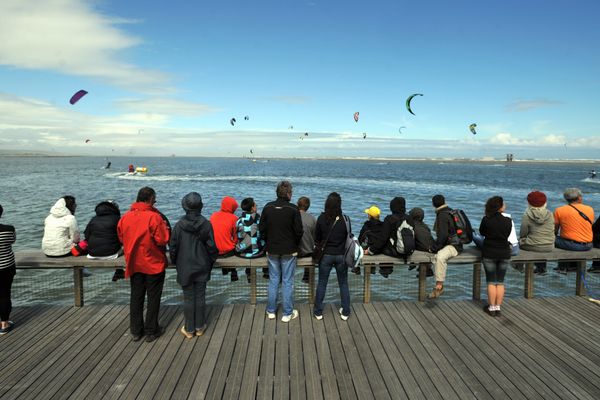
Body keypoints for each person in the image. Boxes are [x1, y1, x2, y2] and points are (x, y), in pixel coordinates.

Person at [117, 186, 170, 342]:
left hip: (134, 263)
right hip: (153, 263)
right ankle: (151, 330)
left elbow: (121, 237)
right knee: (153, 297)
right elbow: (163, 239)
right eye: (155, 198)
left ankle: (135, 330)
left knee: (136, 296)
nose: (156, 201)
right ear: (151, 199)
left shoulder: (125, 217)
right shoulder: (154, 217)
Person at [169, 192, 219, 339]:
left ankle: (189, 329)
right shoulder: (206, 224)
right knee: (200, 296)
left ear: (184, 207)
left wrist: (176, 261)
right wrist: (210, 261)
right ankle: (199, 327)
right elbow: (212, 248)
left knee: (189, 298)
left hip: (185, 266)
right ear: (201, 207)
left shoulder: (179, 225)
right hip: (202, 264)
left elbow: (173, 248)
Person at [259, 180, 303, 322]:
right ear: (289, 194)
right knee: (287, 281)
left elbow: (262, 230)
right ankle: (287, 313)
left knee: (273, 280)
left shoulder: (267, 207)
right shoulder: (293, 209)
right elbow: (299, 231)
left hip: (272, 249)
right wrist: (294, 243)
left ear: (277, 192)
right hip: (289, 250)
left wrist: (268, 241)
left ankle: (271, 311)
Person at [313, 192, 352, 321]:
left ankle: (318, 312)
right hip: (341, 255)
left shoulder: (321, 218)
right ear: (340, 204)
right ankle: (345, 312)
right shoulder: (345, 219)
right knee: (343, 284)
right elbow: (349, 237)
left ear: (327, 204)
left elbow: (317, 238)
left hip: (326, 256)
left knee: (322, 284)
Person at [479, 196, 513, 317]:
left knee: (491, 281)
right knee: (500, 282)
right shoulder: (508, 221)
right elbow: (508, 234)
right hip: (504, 253)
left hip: (489, 252)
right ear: (499, 207)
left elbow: (482, 232)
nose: (505, 205)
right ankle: (498, 308)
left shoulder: (486, 219)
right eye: (504, 204)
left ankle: (491, 307)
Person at [365, 197, 412, 277]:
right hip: (409, 251)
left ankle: (385, 269)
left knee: (382, 245)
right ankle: (386, 270)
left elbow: (383, 239)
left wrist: (370, 250)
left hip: (396, 252)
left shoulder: (389, 219)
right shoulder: (409, 218)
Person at [428, 194, 463, 299]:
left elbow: (442, 235)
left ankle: (439, 286)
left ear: (433, 204)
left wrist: (434, 248)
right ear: (444, 201)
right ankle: (434, 279)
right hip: (457, 243)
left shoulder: (442, 215)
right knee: (436, 256)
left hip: (454, 246)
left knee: (440, 257)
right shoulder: (449, 211)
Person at [554, 188, 594, 273]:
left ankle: (562, 267)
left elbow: (555, 230)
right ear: (579, 198)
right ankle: (572, 266)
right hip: (588, 245)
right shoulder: (590, 209)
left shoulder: (559, 210)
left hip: (571, 245)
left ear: (566, 199)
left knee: (554, 239)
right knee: (571, 238)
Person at [84, 200, 124, 281]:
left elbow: (86, 235)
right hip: (111, 254)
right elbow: (123, 237)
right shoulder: (117, 219)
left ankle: (119, 271)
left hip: (92, 254)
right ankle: (120, 271)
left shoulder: (93, 219)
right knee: (126, 246)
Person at [518, 191, 555, 274]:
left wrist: (522, 239)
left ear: (529, 202)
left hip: (532, 246)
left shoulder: (527, 215)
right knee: (540, 240)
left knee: (520, 242)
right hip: (549, 246)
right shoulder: (550, 214)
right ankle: (541, 268)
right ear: (545, 202)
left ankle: (519, 267)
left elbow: (523, 233)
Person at [234, 197, 267, 282]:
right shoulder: (258, 219)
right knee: (262, 242)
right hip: (257, 252)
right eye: (256, 205)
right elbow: (264, 233)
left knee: (247, 241)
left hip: (242, 252)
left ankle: (249, 273)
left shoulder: (239, 220)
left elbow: (238, 236)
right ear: (252, 208)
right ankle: (266, 271)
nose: (256, 207)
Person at [210, 196, 239, 281]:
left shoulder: (213, 215)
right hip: (227, 253)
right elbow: (236, 237)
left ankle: (227, 271)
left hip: (213, 251)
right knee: (233, 246)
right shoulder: (234, 218)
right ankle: (233, 271)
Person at [0, 204, 16, 335]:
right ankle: (4, 324)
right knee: (5, 294)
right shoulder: (9, 229)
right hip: (6, 267)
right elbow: (12, 241)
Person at [357, 205, 384, 275]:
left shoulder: (367, 225)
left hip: (368, 250)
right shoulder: (383, 225)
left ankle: (356, 268)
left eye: (368, 214)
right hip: (379, 250)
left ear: (370, 216)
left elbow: (360, 238)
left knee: (358, 245)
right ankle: (372, 268)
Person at [408, 207, 434, 277]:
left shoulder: (412, 226)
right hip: (431, 247)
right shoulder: (425, 226)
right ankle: (427, 269)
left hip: (422, 248)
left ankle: (413, 264)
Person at [297, 196, 317, 283]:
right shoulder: (312, 218)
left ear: (298, 205)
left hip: (294, 251)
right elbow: (315, 237)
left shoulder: (293, 216)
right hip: (308, 251)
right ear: (308, 207)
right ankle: (307, 277)